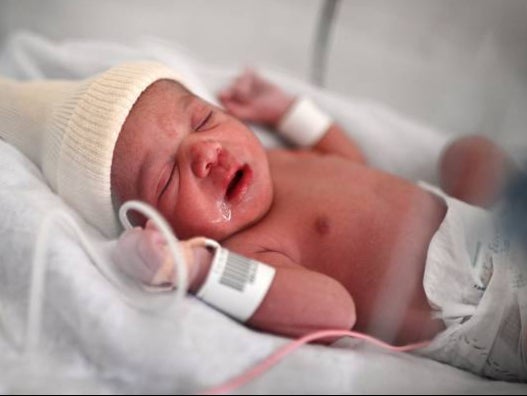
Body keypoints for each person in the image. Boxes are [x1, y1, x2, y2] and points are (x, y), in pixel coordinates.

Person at [0, 62, 524, 381]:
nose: (205, 152)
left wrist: (289, 112)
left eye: (203, 119)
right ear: (153, 224)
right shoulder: (252, 250)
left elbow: (346, 161)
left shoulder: (277, 161)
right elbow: (334, 308)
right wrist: (202, 269)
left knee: (470, 151)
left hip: (481, 226)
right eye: (164, 180)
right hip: (482, 305)